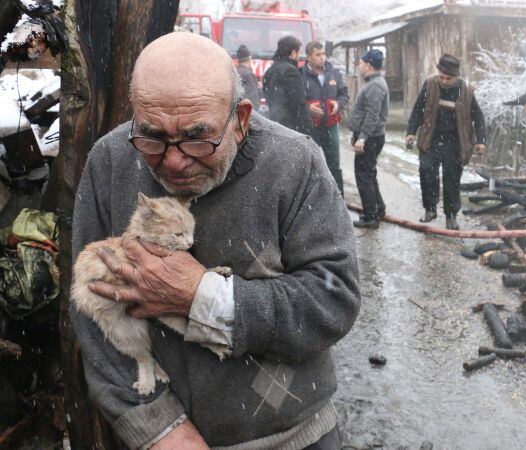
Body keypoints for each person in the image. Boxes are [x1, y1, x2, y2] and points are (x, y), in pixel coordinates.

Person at [70, 32, 359, 450]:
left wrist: (204, 297)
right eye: (151, 136)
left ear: (240, 119)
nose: (172, 159)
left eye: (196, 136)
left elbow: (335, 300)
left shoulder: (295, 162)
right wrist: (155, 427)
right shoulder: (110, 161)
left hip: (292, 437)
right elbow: (89, 311)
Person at [406, 54, 486, 230]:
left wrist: (481, 140)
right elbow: (418, 109)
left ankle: (451, 216)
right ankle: (430, 209)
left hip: (455, 142)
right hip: (431, 139)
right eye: (441, 77)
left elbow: (478, 118)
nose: (444, 81)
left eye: (448, 78)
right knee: (426, 170)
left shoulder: (466, 91)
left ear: (456, 76)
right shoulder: (430, 84)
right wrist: (411, 132)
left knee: (452, 179)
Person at [348, 49, 389, 228]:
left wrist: (362, 138)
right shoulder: (374, 83)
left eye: (362, 63)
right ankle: (378, 208)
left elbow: (373, 115)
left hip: (371, 137)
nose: (359, 66)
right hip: (370, 136)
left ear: (369, 65)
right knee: (369, 173)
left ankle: (370, 217)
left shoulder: (375, 86)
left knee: (364, 176)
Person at [301, 41, 349, 196]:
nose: (322, 58)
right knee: (310, 165)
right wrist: (307, 108)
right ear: (309, 57)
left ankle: (339, 199)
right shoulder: (300, 74)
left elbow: (344, 94)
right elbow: (295, 101)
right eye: (318, 55)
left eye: (323, 54)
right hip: (310, 127)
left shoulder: (333, 72)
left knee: (334, 164)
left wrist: (338, 103)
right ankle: (313, 199)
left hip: (331, 126)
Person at [262, 35, 312, 134]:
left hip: (274, 127)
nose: (299, 56)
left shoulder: (269, 71)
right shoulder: (291, 72)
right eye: (299, 53)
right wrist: (307, 130)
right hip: (290, 129)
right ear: (293, 53)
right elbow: (298, 104)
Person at [235, 44, 262, 111]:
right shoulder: (249, 75)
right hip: (246, 111)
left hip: (236, 110)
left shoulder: (234, 72)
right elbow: (253, 97)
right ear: (249, 59)